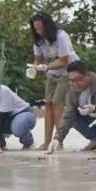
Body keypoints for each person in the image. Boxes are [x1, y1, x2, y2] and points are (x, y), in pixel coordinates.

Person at [28, 12, 78, 151]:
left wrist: (45, 67)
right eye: (36, 29)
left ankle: (58, 141)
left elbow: (64, 60)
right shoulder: (38, 41)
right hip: (51, 72)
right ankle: (46, 141)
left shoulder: (61, 36)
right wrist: (34, 69)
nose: (39, 32)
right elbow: (38, 60)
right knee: (48, 103)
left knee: (57, 103)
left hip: (68, 71)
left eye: (41, 28)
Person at [48, 61, 96, 153]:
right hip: (90, 118)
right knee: (71, 116)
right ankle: (95, 140)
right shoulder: (72, 89)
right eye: (72, 80)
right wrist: (57, 138)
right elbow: (68, 114)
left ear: (87, 75)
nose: (76, 84)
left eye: (79, 79)